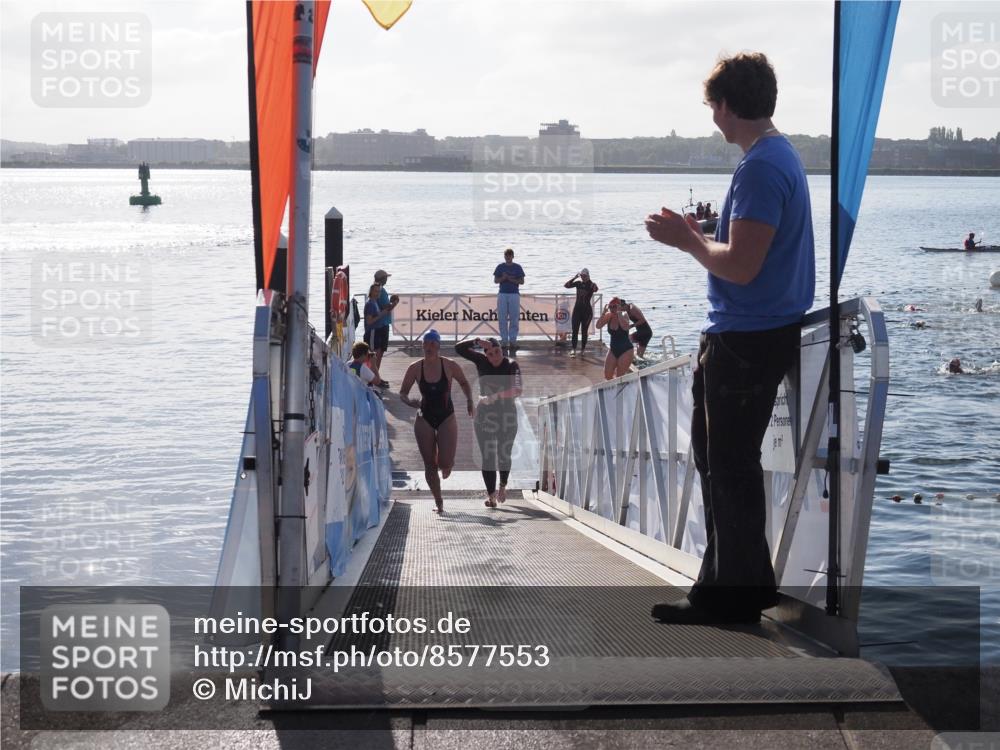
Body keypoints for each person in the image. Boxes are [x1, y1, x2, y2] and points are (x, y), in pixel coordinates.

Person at [644, 52, 815, 625]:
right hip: (756, 332)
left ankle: (730, 598)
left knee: (729, 467)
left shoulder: (761, 167)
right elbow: (751, 248)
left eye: (712, 106)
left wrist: (686, 241)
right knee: (721, 462)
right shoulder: (777, 156)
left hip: (746, 338)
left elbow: (741, 266)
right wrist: (702, 232)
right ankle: (730, 589)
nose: (712, 116)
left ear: (726, 106)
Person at [399, 329, 474, 513]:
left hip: (446, 416)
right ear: (422, 345)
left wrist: (470, 400)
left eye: (433, 343)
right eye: (426, 343)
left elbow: (464, 382)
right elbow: (402, 393)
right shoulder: (415, 367)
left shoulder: (449, 365)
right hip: (424, 417)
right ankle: (438, 501)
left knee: (444, 463)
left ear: (439, 346)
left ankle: (447, 462)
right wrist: (409, 402)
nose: (429, 346)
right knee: (429, 464)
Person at [456, 337, 523, 507]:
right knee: (487, 456)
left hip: (506, 415)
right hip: (485, 415)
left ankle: (502, 485)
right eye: (490, 354)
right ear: (486, 355)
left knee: (503, 454)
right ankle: (491, 496)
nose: (494, 357)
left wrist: (495, 396)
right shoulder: (481, 361)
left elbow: (517, 390)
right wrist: (477, 341)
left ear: (502, 350)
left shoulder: (511, 365)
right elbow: (459, 349)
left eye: (497, 352)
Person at [494, 248, 525, 354]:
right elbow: (496, 280)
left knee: (514, 318)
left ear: (512, 256)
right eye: (506, 255)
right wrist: (503, 278)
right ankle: (504, 340)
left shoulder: (517, 267)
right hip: (502, 294)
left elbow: (522, 281)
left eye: (509, 255)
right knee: (502, 317)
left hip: (514, 294)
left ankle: (513, 340)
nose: (508, 257)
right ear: (504, 256)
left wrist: (511, 279)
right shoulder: (500, 267)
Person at [596, 297, 634, 380]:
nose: (612, 309)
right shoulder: (609, 315)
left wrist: (619, 313)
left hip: (626, 350)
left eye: (614, 306)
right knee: (607, 376)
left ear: (619, 306)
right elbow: (598, 326)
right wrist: (603, 313)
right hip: (613, 349)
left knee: (619, 377)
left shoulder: (624, 315)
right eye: (610, 307)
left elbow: (625, 327)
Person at [564, 268, 599, 357]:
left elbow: (596, 289)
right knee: (574, 330)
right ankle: (573, 349)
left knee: (584, 331)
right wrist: (575, 278)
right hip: (577, 311)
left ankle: (583, 350)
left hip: (587, 312)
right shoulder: (578, 283)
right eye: (582, 276)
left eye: (585, 276)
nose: (583, 277)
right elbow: (566, 285)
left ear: (588, 276)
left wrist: (591, 283)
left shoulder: (591, 285)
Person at [371, 269, 398, 375]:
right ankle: (375, 375)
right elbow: (387, 307)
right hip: (380, 325)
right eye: (386, 277)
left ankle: (375, 375)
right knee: (378, 351)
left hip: (381, 324)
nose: (387, 279)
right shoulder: (381, 291)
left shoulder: (375, 289)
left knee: (380, 351)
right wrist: (395, 303)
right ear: (382, 279)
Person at [363, 283, 391, 379]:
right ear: (371, 292)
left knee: (376, 356)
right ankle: (372, 379)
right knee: (372, 356)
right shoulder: (370, 304)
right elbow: (369, 321)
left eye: (379, 291)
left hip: (377, 332)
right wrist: (381, 314)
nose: (377, 293)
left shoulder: (375, 302)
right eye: (375, 291)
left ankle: (375, 378)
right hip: (372, 332)